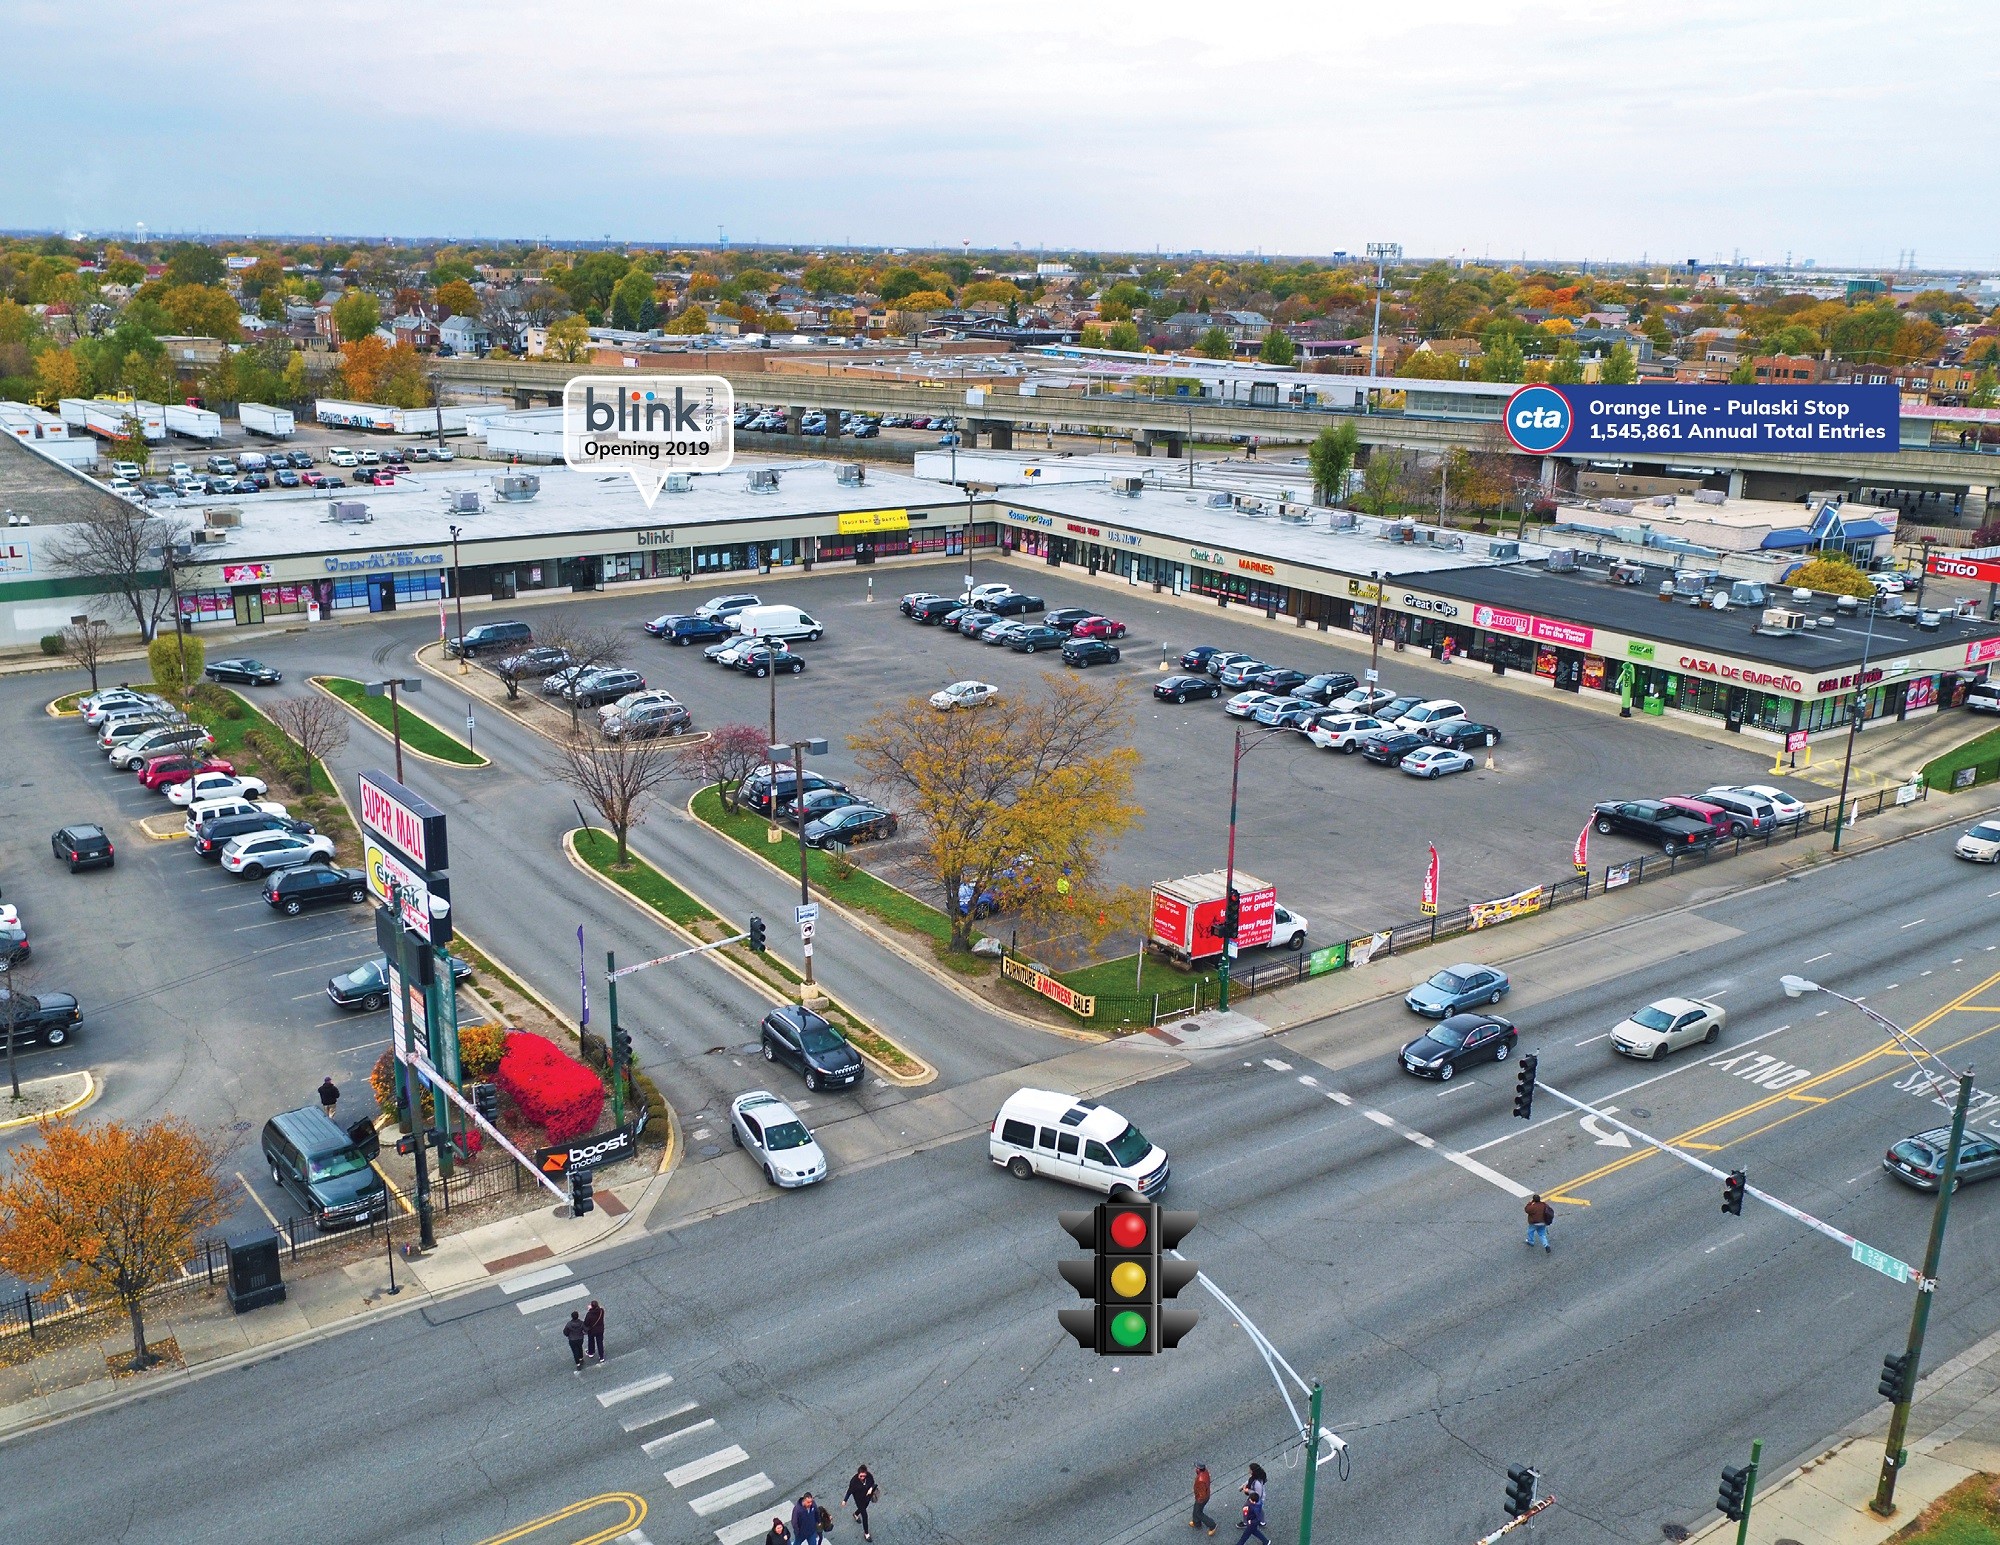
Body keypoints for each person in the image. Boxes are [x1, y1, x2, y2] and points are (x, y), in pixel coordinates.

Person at [845, 1465, 880, 1541]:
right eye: (861, 1476)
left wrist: (870, 1489)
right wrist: (845, 1500)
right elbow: (849, 1491)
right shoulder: (854, 1482)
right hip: (859, 1500)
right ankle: (866, 1534)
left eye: (864, 1476)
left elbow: (872, 1483)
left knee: (864, 1507)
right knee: (865, 1515)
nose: (862, 1478)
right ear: (858, 1474)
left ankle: (856, 1514)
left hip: (867, 1498)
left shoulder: (869, 1476)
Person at [1191, 1463, 1216, 1534]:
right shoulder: (1205, 1472)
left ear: (1199, 1469)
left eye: (1196, 1468)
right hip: (1204, 1496)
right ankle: (1196, 1523)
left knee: (1198, 1512)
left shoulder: (1200, 1480)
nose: (1195, 1469)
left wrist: (1198, 1498)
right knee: (1196, 1509)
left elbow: (1202, 1494)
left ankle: (1212, 1525)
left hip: (1202, 1499)